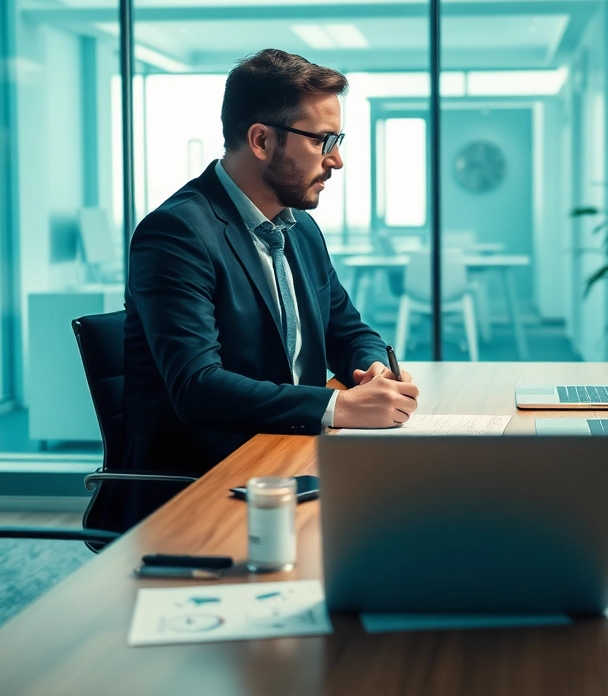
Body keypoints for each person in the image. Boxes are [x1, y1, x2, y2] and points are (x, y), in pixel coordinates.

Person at [119, 49, 419, 521]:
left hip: (290, 460)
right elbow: (198, 387)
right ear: (261, 140)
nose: (337, 160)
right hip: (203, 487)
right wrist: (339, 407)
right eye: (323, 140)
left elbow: (348, 330)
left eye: (338, 139)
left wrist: (373, 368)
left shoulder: (298, 227)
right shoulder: (177, 234)